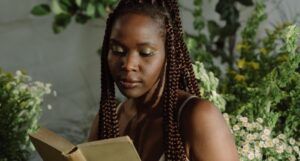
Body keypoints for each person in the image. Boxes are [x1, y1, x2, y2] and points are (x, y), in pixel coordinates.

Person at [88, 0, 239, 160]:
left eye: (145, 53)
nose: (128, 65)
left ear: (169, 54)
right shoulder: (107, 121)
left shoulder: (197, 117)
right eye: (117, 50)